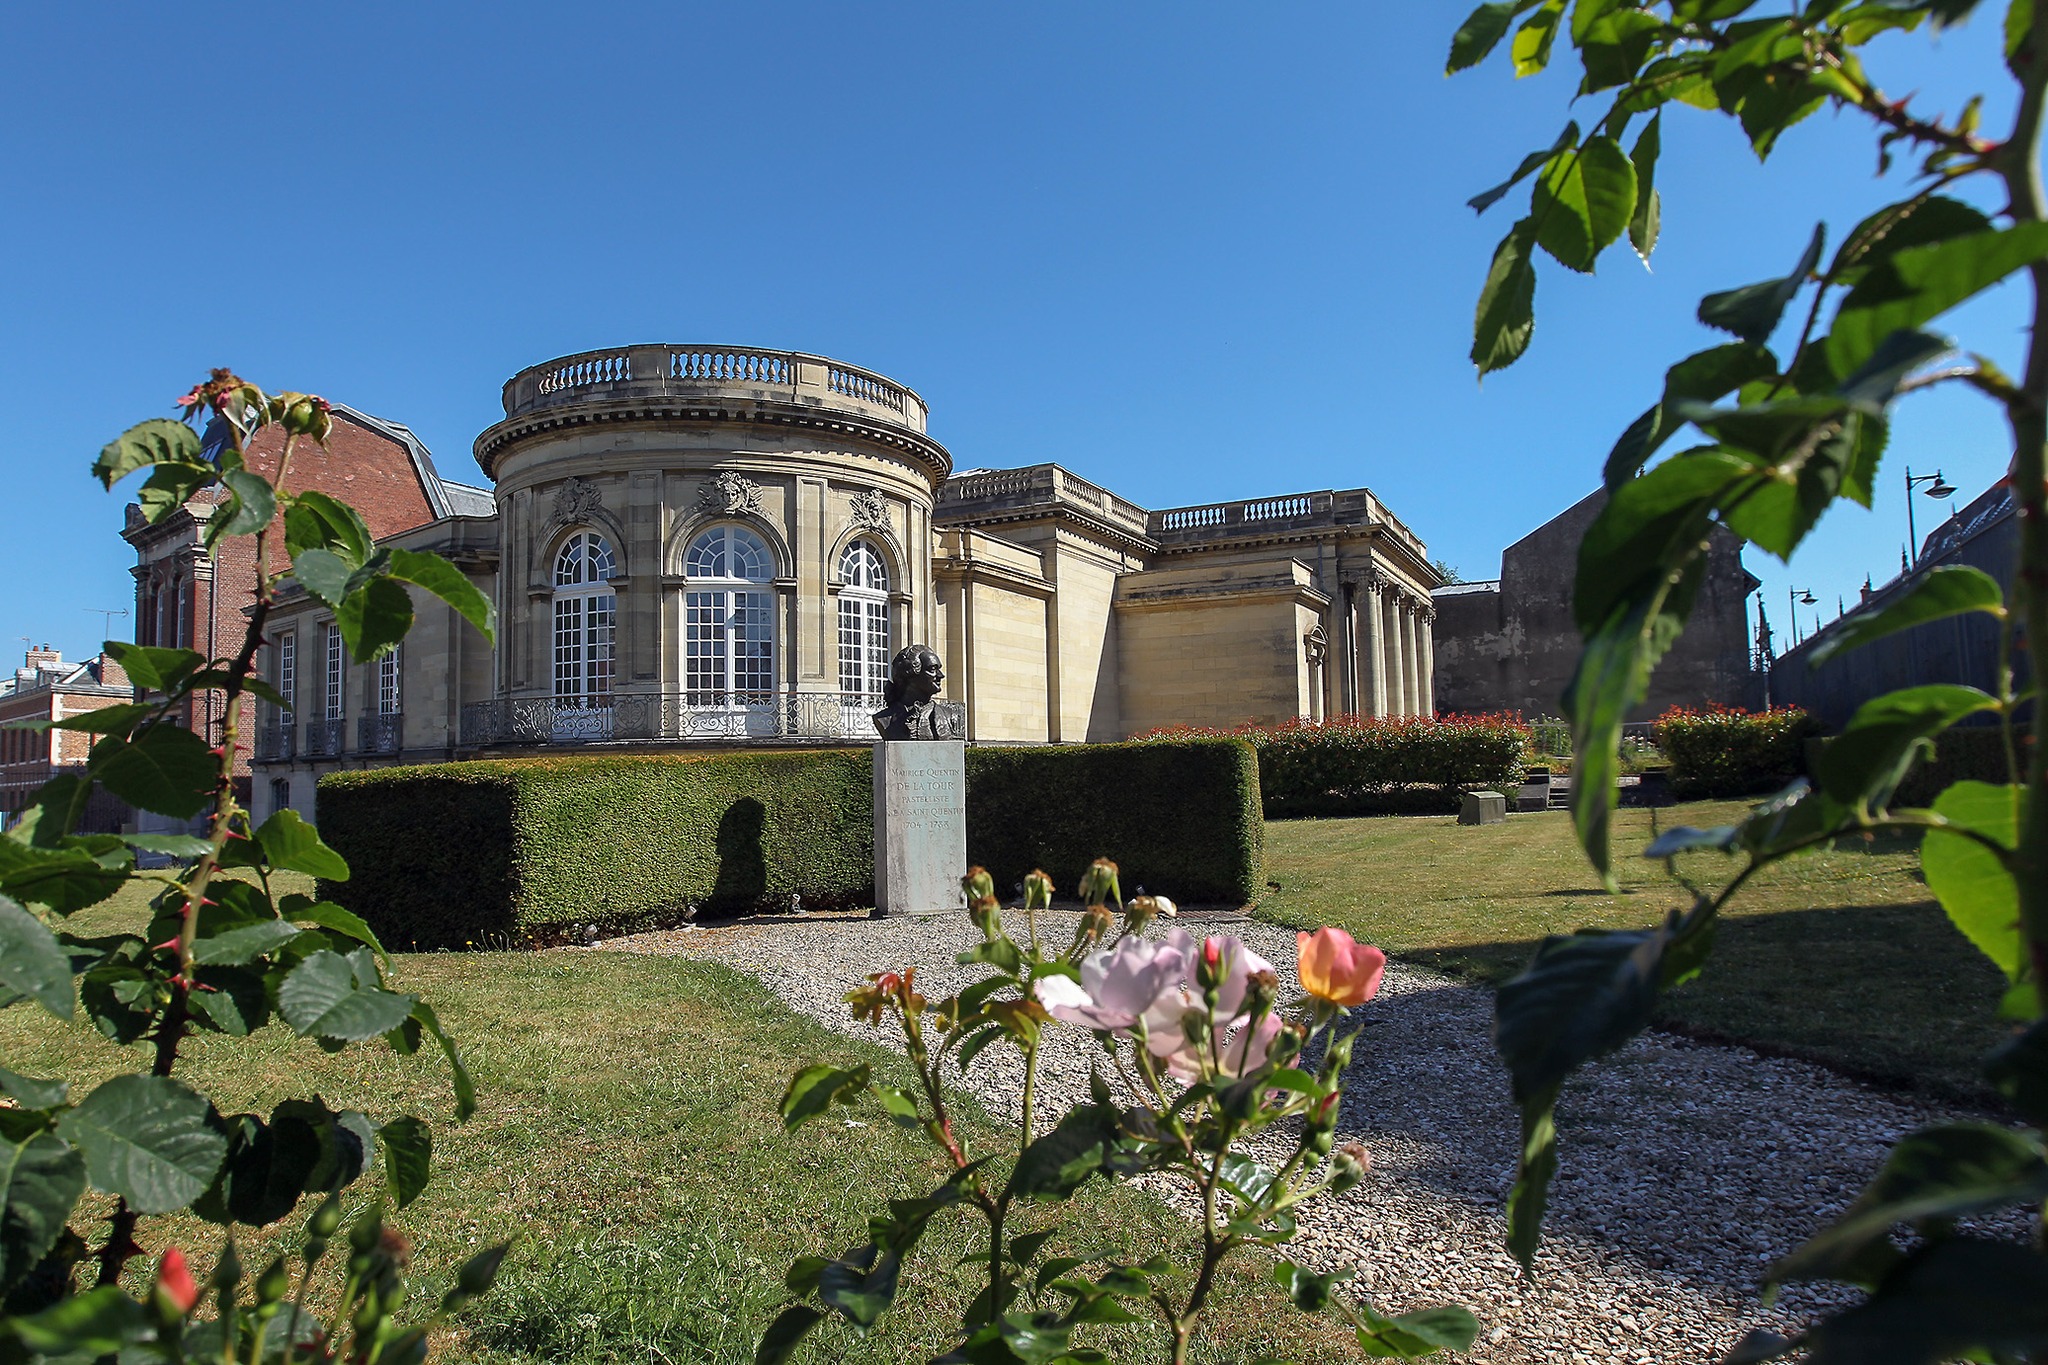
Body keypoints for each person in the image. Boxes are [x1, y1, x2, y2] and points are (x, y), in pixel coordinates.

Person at [872, 644, 965, 740]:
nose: (940, 675)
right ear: (911, 674)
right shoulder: (884, 719)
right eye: (932, 669)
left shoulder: (953, 716)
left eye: (938, 669)